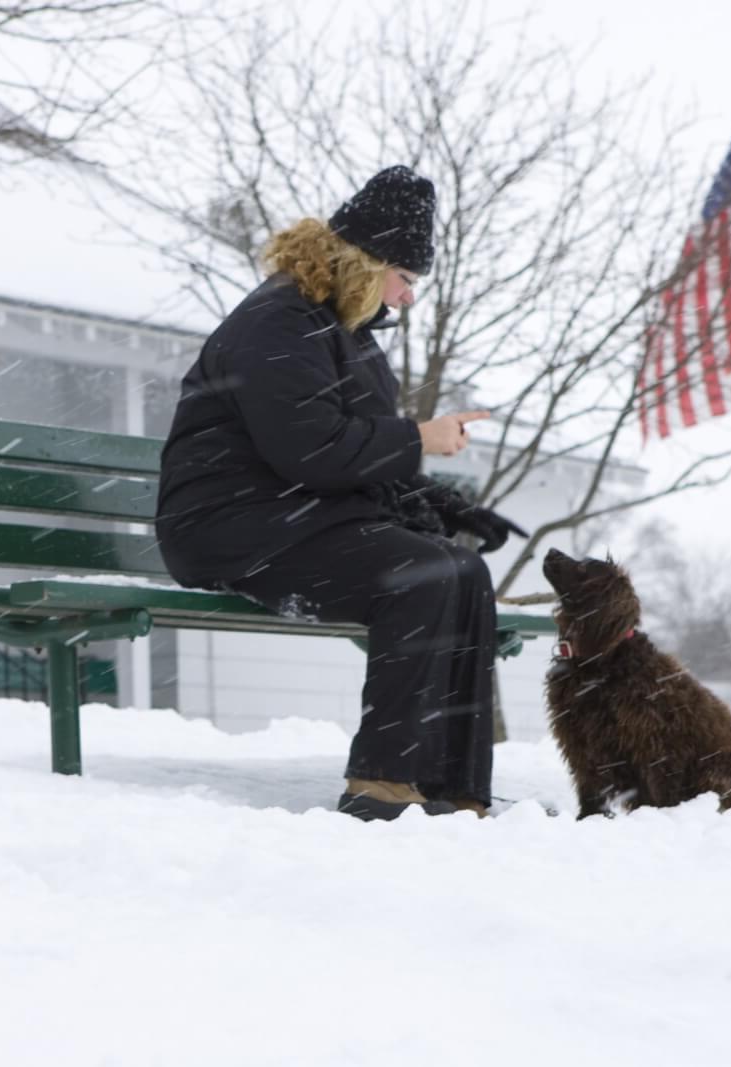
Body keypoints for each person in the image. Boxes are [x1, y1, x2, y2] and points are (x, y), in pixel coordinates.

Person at [156, 165, 527, 822]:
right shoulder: (277, 322)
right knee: (425, 574)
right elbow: (312, 449)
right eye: (407, 278)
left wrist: (438, 505)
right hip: (229, 526)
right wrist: (418, 439)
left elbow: (354, 456)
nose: (409, 297)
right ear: (369, 261)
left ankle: (449, 787)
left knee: (462, 571)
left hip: (293, 519)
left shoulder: (346, 335)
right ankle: (383, 785)